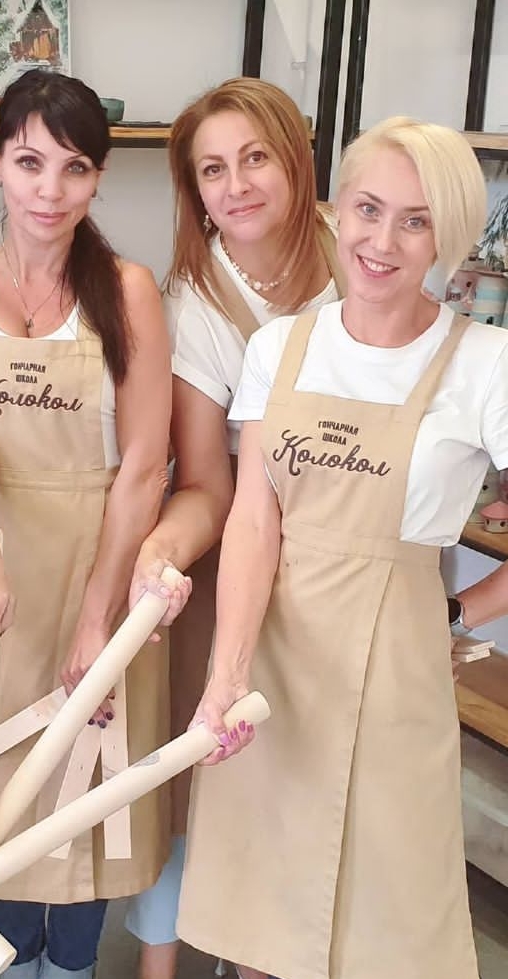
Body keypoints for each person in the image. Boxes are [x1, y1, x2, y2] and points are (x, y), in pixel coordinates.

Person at [176, 117, 505, 979]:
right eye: (367, 209)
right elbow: (254, 521)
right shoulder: (279, 347)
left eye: (415, 221)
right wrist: (226, 672)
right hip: (272, 670)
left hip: (397, 675)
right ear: (337, 208)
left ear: (447, 235)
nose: (382, 242)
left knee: (386, 921)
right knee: (261, 915)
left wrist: (458, 610)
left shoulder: (486, 364)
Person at [0, 69, 188, 979]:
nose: (50, 189)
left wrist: (97, 619)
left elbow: (144, 466)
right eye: (30, 162)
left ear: (98, 179)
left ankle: (72, 967)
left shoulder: (129, 289)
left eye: (75, 168)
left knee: (89, 796)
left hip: (101, 565)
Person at [122, 78, 346, 979]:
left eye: (255, 158)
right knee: (208, 773)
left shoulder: (358, 253)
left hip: (343, 567)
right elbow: (208, 483)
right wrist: (163, 548)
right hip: (230, 569)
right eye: (212, 170)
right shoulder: (195, 302)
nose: (236, 185)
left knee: (312, 786)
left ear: (296, 158)